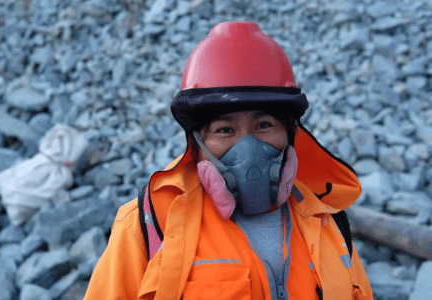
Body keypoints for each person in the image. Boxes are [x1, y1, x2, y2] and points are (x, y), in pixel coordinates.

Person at [84, 21, 373, 300]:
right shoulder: (149, 221)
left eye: (264, 126)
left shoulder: (328, 219)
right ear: (197, 144)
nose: (247, 146)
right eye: (225, 130)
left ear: (290, 133)